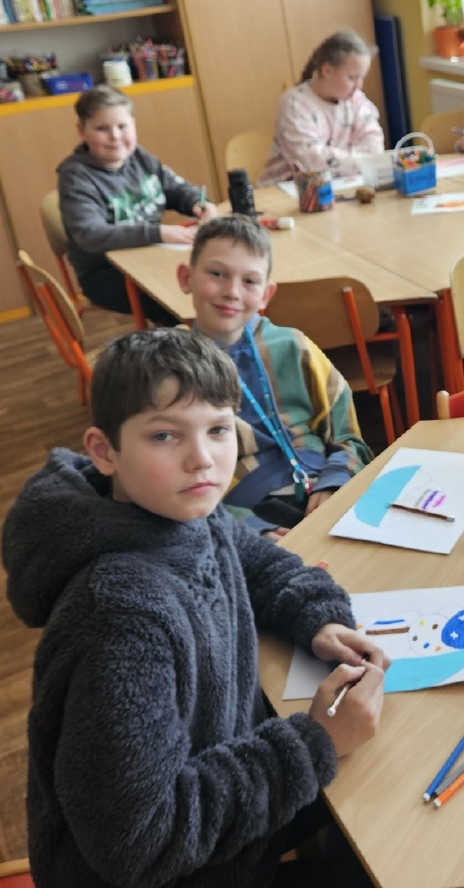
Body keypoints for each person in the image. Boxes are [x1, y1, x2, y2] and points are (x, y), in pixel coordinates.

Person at [2, 327, 389, 887]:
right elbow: (140, 839)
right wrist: (316, 744)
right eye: (164, 435)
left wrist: (318, 616)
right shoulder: (119, 618)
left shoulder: (180, 512)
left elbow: (255, 562)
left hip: (228, 823)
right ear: (104, 451)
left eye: (218, 429)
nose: (202, 459)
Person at [178, 215, 372, 539]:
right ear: (187, 278)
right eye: (217, 274)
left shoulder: (295, 346)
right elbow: (175, 482)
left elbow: (348, 435)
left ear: (266, 294)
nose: (232, 291)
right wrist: (249, 532)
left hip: (327, 486)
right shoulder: (174, 369)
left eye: (249, 281)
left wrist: (337, 481)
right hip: (248, 513)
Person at [58, 85, 218, 324]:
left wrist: (197, 202)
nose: (115, 136)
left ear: (133, 124)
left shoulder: (139, 157)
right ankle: (183, 343)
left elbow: (175, 188)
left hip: (152, 256)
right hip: (106, 274)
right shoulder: (76, 177)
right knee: (179, 297)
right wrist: (159, 233)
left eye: (122, 126)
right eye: (102, 129)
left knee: (213, 277)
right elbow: (91, 235)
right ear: (82, 130)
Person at [259, 29, 385, 186]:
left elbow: (374, 147)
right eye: (352, 78)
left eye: (362, 77)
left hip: (340, 185)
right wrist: (359, 159)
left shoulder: (356, 100)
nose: (359, 86)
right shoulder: (294, 104)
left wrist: (342, 159)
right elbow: (311, 161)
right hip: (288, 190)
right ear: (327, 70)